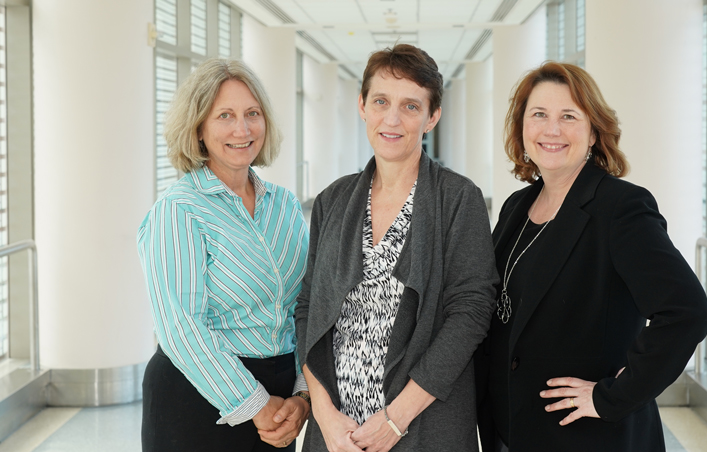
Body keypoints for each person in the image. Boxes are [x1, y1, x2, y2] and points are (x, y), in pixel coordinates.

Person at [475, 62, 707, 451]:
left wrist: (611, 396)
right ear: (522, 127)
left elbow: (686, 312)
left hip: (587, 436)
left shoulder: (620, 208)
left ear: (593, 132)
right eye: (539, 115)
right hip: (513, 431)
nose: (552, 130)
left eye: (568, 116)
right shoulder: (518, 206)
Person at [294, 44, 499, 452]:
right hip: (338, 433)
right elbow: (306, 309)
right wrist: (323, 414)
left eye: (410, 106)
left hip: (421, 425)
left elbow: (471, 313)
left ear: (431, 117)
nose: (392, 119)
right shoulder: (333, 201)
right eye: (381, 101)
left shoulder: (458, 199)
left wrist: (395, 419)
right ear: (362, 106)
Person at [137, 58, 310, 452]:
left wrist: (302, 394)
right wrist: (256, 404)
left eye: (252, 114)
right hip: (198, 398)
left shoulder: (284, 205)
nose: (242, 129)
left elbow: (306, 304)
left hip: (281, 402)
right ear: (198, 128)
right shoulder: (179, 210)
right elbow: (181, 328)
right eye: (225, 116)